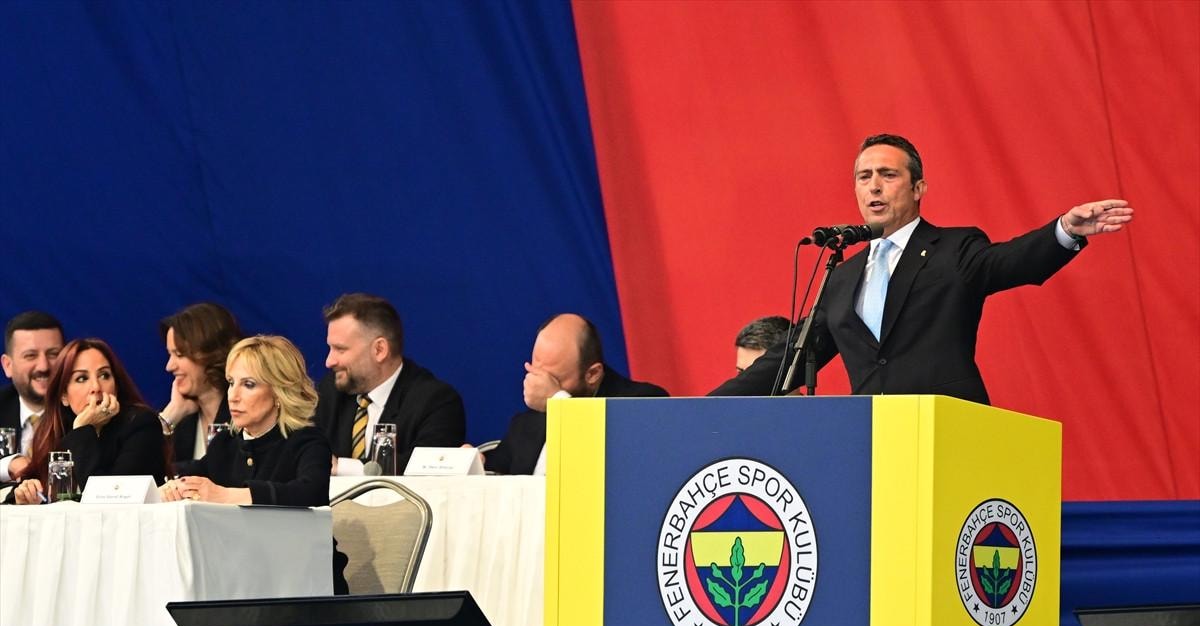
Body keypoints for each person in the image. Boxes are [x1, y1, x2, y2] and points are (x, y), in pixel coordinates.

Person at [710, 134, 1133, 403]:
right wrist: (702, 408)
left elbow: (1011, 262)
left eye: (887, 174)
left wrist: (1064, 230)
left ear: (918, 188)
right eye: (864, 177)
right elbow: (789, 357)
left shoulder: (954, 249)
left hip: (947, 431)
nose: (874, 186)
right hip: (872, 440)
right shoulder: (841, 276)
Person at [158, 335, 349, 594]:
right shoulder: (225, 443)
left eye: (248, 384)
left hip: (303, 582)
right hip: (239, 581)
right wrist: (176, 488)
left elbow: (309, 492)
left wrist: (226, 496)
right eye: (231, 383)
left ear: (279, 391)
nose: (233, 396)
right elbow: (191, 474)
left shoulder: (307, 441)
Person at [487, 313, 669, 475]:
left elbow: (622, 465)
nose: (538, 386)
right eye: (535, 372)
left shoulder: (643, 403)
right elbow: (494, 474)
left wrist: (558, 402)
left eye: (553, 380)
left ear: (593, 374)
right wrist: (476, 463)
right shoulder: (526, 423)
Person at [316, 293, 465, 475]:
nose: (329, 361)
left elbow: (426, 469)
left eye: (340, 349)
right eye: (330, 348)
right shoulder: (329, 392)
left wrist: (342, 468)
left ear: (379, 350)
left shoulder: (436, 402)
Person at [10, 338, 168, 503]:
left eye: (104, 375)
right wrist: (25, 493)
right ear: (64, 395)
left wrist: (82, 429)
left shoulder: (141, 425)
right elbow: (31, 486)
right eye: (81, 378)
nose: (96, 387)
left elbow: (111, 500)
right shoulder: (56, 429)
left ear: (116, 386)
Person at [157, 302, 243, 467]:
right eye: (169, 354)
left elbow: (219, 472)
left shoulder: (247, 414)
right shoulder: (180, 420)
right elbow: (142, 472)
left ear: (211, 353)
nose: (169, 366)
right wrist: (169, 416)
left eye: (179, 355)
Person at [1, 311, 65, 484]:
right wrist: (8, 465)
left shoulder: (82, 411)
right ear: (8, 365)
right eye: (30, 355)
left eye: (53, 354)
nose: (43, 366)